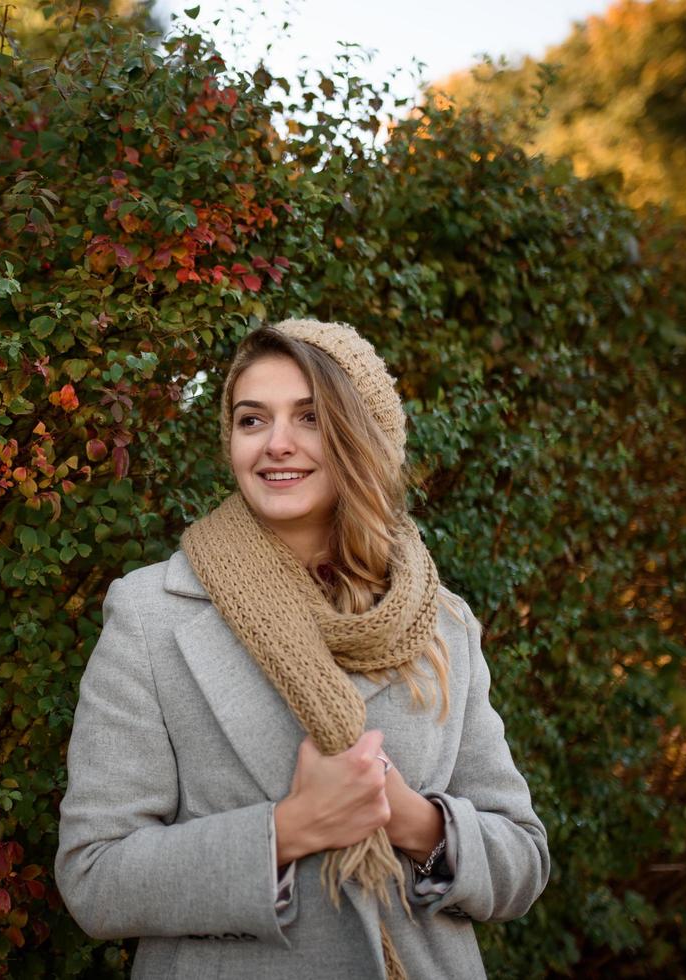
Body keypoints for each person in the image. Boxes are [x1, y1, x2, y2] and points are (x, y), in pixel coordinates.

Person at [55, 319, 549, 979]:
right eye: (252, 420)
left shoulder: (441, 623)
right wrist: (288, 832)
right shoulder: (150, 616)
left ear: (361, 437)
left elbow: (523, 858)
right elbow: (95, 877)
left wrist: (414, 822)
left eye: (310, 417)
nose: (276, 445)